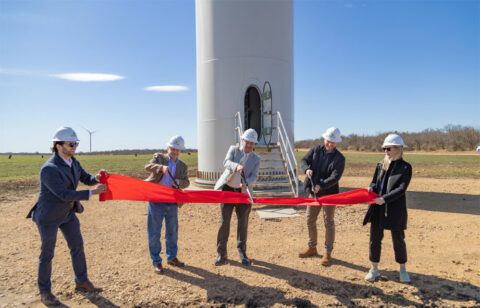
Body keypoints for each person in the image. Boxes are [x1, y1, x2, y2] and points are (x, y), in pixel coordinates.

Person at [27, 127, 107, 306]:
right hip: (48, 216)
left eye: (76, 144)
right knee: (47, 254)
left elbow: (86, 178)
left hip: (68, 214)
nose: (74, 147)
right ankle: (45, 292)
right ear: (58, 145)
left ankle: (81, 281)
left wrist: (98, 176)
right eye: (71, 144)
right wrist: (92, 193)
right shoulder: (49, 169)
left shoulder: (74, 162)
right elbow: (63, 194)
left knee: (77, 245)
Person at [363, 133, 412, 283]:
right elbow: (374, 183)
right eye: (384, 148)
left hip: (395, 210)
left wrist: (384, 199)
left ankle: (403, 269)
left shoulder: (405, 167)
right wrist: (371, 188)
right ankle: (374, 269)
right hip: (377, 209)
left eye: (388, 148)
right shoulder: (380, 165)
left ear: (398, 149)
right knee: (374, 239)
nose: (386, 151)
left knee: (398, 240)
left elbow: (401, 189)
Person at [299, 127, 345, 266]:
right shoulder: (315, 150)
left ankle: (327, 252)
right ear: (324, 138)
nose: (329, 143)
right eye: (328, 140)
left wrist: (321, 185)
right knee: (309, 220)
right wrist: (306, 169)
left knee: (328, 222)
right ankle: (312, 247)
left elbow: (335, 177)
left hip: (329, 194)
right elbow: (303, 160)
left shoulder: (340, 158)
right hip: (313, 193)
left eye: (332, 142)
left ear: (336, 143)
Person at [213, 128, 260, 266]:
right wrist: (236, 166)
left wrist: (246, 184)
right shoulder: (233, 150)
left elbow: (254, 176)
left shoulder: (256, 159)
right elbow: (226, 162)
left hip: (243, 194)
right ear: (242, 140)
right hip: (228, 190)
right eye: (248, 142)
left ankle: (242, 253)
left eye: (252, 143)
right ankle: (221, 254)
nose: (250, 145)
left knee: (243, 224)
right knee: (224, 222)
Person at [144, 136, 190, 274]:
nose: (175, 152)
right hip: (156, 200)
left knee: (172, 232)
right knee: (154, 233)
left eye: (178, 150)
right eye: (173, 149)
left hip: (172, 201)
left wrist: (178, 181)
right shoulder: (159, 158)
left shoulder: (182, 166)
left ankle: (172, 257)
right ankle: (157, 261)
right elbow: (147, 167)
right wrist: (160, 168)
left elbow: (186, 182)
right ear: (168, 148)